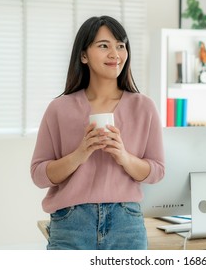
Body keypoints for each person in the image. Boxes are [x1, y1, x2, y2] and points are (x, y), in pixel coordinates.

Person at [30, 16, 165, 250]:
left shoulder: (144, 107)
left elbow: (157, 172)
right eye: (104, 45)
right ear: (84, 55)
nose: (115, 53)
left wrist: (124, 156)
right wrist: (79, 155)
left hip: (126, 225)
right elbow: (39, 175)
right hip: (71, 224)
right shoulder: (59, 109)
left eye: (120, 45)